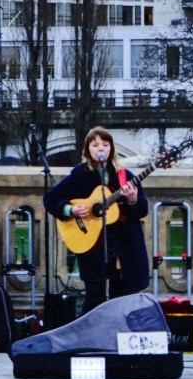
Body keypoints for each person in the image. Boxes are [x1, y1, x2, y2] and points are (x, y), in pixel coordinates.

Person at [43, 126, 149, 313]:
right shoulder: (80, 174)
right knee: (94, 297)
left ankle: (118, 338)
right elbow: (51, 199)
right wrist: (71, 209)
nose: (101, 148)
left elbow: (142, 210)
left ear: (111, 149)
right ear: (87, 150)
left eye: (105, 144)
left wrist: (132, 199)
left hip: (121, 245)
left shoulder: (125, 176)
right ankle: (90, 338)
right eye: (95, 145)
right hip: (92, 245)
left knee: (121, 297)